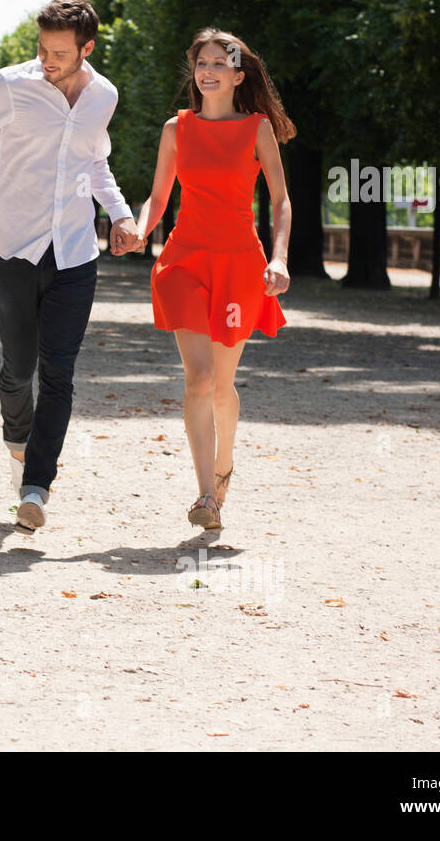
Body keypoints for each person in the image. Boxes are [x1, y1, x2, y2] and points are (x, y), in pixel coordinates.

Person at [0, 0, 141, 535]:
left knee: (59, 373)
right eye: (42, 49)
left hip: (76, 253)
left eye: (60, 53)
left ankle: (36, 487)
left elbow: (96, 163)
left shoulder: (103, 96)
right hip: (14, 249)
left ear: (87, 48)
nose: (48, 61)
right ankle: (18, 445)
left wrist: (121, 215)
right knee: (18, 369)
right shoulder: (8, 85)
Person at [114, 28, 295, 531]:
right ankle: (205, 497)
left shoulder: (257, 129)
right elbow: (159, 197)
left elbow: (281, 200)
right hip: (185, 263)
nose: (207, 71)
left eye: (219, 63)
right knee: (198, 378)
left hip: (238, 266)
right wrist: (140, 229)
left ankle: (224, 464)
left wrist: (279, 258)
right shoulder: (177, 129)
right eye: (201, 63)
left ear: (238, 75)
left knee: (221, 387)